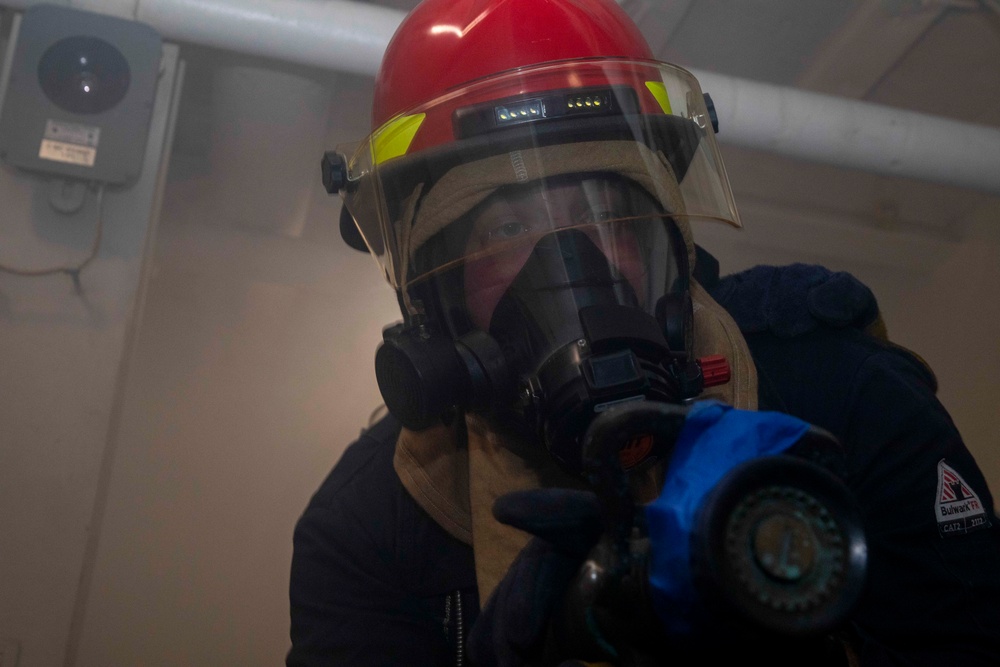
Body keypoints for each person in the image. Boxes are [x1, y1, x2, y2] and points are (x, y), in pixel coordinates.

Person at [287, 0, 1000, 664]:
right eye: (506, 231)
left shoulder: (843, 397)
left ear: (668, 242)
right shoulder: (370, 526)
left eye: (604, 214)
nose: (570, 267)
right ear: (436, 301)